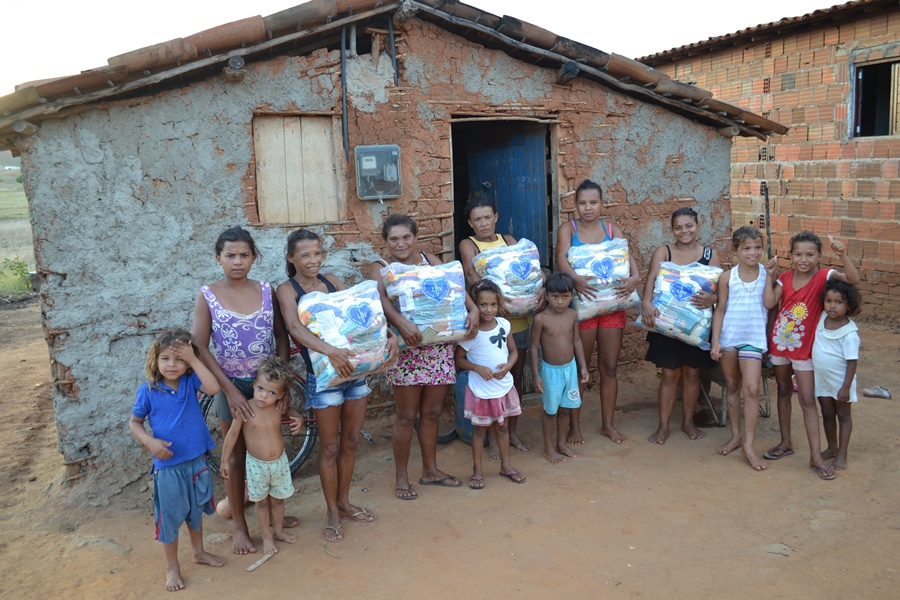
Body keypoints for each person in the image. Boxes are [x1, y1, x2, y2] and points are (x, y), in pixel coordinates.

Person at [276, 228, 398, 542]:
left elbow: (358, 315)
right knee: (329, 447)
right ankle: (331, 509)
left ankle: (344, 502)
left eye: (317, 253)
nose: (312, 260)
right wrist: (330, 351)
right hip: (325, 377)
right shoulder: (287, 290)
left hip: (354, 373)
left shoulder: (331, 281)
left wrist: (386, 335)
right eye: (304, 255)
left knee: (351, 441)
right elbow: (293, 327)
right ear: (291, 258)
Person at [193, 227, 295, 555]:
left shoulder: (266, 290)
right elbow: (200, 345)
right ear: (218, 258)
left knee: (272, 446)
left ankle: (272, 515)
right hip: (231, 384)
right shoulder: (207, 294)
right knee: (235, 455)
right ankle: (240, 525)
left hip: (267, 386)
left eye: (244, 255)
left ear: (254, 257)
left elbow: (281, 336)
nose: (238, 262)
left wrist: (282, 384)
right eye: (230, 256)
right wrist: (231, 392)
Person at [368, 214, 478, 500]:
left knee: (431, 412)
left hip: (437, 348)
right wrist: (401, 323)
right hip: (406, 350)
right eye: (394, 239)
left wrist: (473, 309)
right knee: (406, 416)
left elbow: (454, 288)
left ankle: (430, 470)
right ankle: (402, 477)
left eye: (406, 237)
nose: (401, 243)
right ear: (385, 242)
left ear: (415, 237)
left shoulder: (430, 260)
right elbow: (377, 300)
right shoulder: (379, 268)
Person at [129, 328, 226, 592]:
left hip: (196, 461)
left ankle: (199, 552)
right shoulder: (148, 390)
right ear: (155, 360)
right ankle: (172, 567)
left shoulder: (190, 382)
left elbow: (214, 388)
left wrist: (194, 359)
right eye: (166, 359)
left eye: (179, 359)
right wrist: (149, 442)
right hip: (168, 468)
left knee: (196, 512)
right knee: (170, 517)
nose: (172, 365)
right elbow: (135, 423)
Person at [763, 231, 859, 480]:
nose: (803, 259)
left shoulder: (823, 276)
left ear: (819, 256)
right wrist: (770, 276)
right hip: (780, 345)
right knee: (783, 391)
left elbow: (852, 278)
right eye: (798, 254)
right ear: (790, 255)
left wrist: (842, 254)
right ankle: (786, 443)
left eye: (809, 254)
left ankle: (816, 456)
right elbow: (769, 301)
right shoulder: (784, 277)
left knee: (806, 399)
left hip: (805, 349)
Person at [556, 179, 640, 445]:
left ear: (602, 204)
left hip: (612, 307)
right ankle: (575, 427)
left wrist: (635, 279)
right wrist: (575, 280)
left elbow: (628, 261)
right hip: (584, 308)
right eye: (582, 203)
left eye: (593, 202)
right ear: (575, 206)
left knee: (610, 368)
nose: (588, 208)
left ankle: (608, 425)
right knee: (581, 369)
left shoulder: (612, 229)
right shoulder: (568, 229)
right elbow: (560, 258)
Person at [459, 196, 542, 455]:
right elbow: (473, 278)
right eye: (477, 219)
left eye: (487, 217)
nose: (483, 223)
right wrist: (498, 301)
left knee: (512, 379)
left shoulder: (509, 241)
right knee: (488, 385)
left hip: (516, 321)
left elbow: (527, 272)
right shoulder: (468, 244)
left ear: (496, 217)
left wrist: (536, 289)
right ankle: (494, 438)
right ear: (470, 223)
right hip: (489, 323)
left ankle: (511, 433)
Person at [643, 207, 721, 444]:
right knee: (668, 374)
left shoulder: (710, 255)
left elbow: (722, 290)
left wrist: (713, 299)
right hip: (667, 324)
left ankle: (688, 421)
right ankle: (663, 426)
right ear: (672, 229)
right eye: (678, 227)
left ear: (698, 225)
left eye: (689, 226)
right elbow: (650, 281)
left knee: (692, 374)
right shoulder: (663, 252)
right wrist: (646, 303)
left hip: (695, 328)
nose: (684, 231)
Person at [221, 357, 300, 554]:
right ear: (254, 385)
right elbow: (231, 435)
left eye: (272, 392)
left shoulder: (278, 407)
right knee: (262, 503)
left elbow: (292, 412)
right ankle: (266, 538)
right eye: (261, 389)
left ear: (281, 396)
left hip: (279, 463)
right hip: (257, 467)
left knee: (279, 500)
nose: (264, 396)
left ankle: (279, 531)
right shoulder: (246, 410)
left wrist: (298, 419)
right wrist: (224, 461)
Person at [454, 280, 525, 488]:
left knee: (502, 428)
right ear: (475, 305)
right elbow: (459, 359)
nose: (488, 309)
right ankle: (477, 471)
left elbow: (513, 351)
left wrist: (509, 365)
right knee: (479, 431)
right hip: (481, 390)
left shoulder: (504, 325)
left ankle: (506, 466)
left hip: (502, 386)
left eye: (493, 304)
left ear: (499, 304)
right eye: (483, 305)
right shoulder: (471, 332)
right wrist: (477, 368)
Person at [710, 227, 769, 470]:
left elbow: (771, 303)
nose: (752, 253)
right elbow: (720, 310)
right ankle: (736, 436)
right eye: (746, 248)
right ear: (735, 251)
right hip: (729, 337)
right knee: (732, 385)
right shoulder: (727, 277)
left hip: (753, 339)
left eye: (757, 247)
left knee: (752, 389)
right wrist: (716, 340)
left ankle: (749, 445)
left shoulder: (767, 274)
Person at [530, 273, 589, 463]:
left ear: (572, 295)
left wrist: (583, 367)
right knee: (550, 411)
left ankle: (561, 443)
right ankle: (548, 448)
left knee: (565, 409)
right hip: (551, 373)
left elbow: (577, 341)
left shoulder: (572, 315)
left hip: (570, 369)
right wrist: (536, 375)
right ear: (546, 296)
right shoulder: (541, 319)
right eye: (555, 296)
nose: (560, 302)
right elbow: (533, 347)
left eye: (565, 297)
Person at [813, 279, 862, 471]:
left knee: (843, 416)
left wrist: (846, 387)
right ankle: (831, 447)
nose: (832, 306)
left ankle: (842, 453)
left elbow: (852, 362)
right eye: (828, 301)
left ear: (848, 305)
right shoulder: (821, 318)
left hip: (841, 382)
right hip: (822, 380)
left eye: (839, 302)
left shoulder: (849, 333)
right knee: (826, 413)